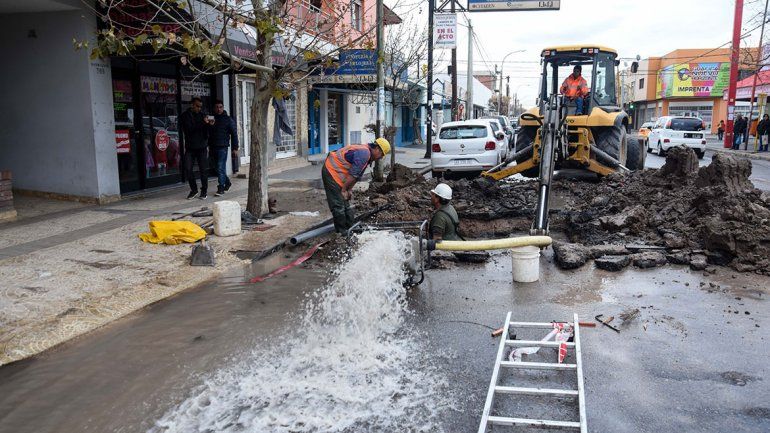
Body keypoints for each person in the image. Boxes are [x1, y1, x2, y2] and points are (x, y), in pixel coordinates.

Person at [322, 138, 390, 234]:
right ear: (377, 149)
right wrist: (344, 189)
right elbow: (353, 174)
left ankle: (351, 227)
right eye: (382, 154)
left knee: (345, 203)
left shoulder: (367, 154)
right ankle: (342, 233)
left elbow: (357, 175)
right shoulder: (364, 154)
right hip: (331, 171)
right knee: (338, 205)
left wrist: (349, 190)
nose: (380, 157)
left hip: (339, 173)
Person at [180, 97, 213, 199]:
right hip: (190, 147)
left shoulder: (203, 115)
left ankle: (204, 191)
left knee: (203, 170)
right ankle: (194, 189)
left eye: (200, 107)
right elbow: (189, 129)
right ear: (192, 105)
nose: (199, 108)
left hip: (202, 147)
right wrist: (203, 123)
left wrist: (210, 125)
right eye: (197, 106)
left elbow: (207, 132)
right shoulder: (185, 116)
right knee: (188, 168)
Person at [209, 100, 239, 196]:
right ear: (214, 108)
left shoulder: (228, 119)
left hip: (223, 147)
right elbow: (207, 132)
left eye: (220, 107)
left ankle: (221, 187)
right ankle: (228, 182)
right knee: (216, 167)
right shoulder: (211, 118)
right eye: (217, 107)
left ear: (223, 107)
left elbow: (234, 134)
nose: (219, 109)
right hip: (212, 146)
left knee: (220, 166)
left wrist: (235, 148)